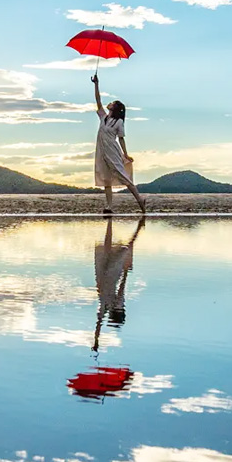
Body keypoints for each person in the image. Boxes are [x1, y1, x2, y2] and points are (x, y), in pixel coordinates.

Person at [92, 74, 146, 215]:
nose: (110, 103)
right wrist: (96, 84)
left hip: (112, 151)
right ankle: (109, 207)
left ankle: (140, 200)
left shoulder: (119, 122)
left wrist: (126, 154)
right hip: (102, 151)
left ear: (115, 108)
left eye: (113, 103)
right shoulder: (104, 117)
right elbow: (98, 100)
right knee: (106, 179)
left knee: (124, 177)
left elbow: (121, 139)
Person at [92, 217, 143, 353]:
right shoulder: (106, 306)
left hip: (109, 275)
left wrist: (125, 272)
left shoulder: (108, 306)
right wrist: (96, 341)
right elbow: (98, 324)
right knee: (118, 249)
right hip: (105, 277)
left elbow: (121, 289)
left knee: (123, 249)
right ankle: (133, 228)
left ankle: (132, 229)